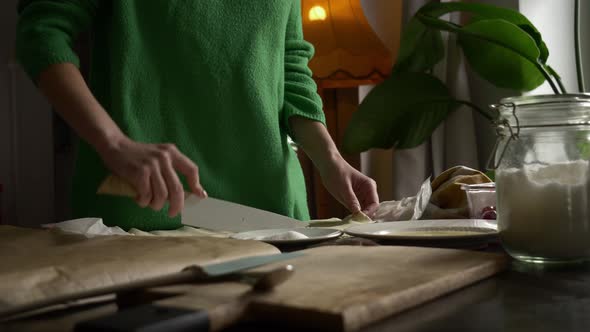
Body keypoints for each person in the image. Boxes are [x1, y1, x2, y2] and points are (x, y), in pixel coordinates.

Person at [16, 0, 379, 231]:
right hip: (146, 215)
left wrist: (331, 160)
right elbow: (43, 34)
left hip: (275, 220)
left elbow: (290, 64)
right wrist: (113, 143)